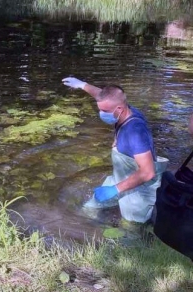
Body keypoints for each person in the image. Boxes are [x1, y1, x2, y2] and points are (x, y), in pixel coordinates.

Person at [62, 77, 168, 223]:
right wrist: (82, 85)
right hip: (123, 176)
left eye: (104, 111)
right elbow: (105, 96)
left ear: (119, 109)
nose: (101, 114)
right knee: (89, 208)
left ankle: (140, 240)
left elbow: (148, 172)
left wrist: (114, 190)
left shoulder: (135, 132)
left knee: (131, 226)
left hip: (140, 188)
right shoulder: (122, 108)